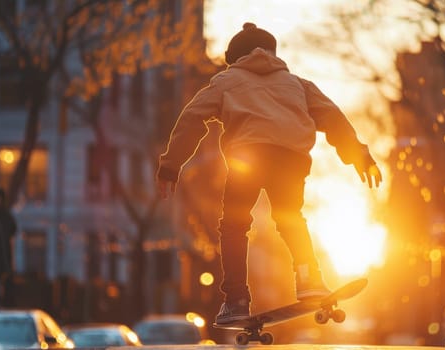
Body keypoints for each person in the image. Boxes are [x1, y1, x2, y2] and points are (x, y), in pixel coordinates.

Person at [156, 23, 382, 324]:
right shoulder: (298, 84)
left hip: (248, 158)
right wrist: (360, 156)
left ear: (234, 58)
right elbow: (333, 117)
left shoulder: (226, 81)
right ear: (273, 54)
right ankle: (309, 278)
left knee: (235, 225)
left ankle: (236, 298)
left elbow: (192, 119)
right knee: (290, 218)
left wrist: (171, 166)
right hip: (291, 157)